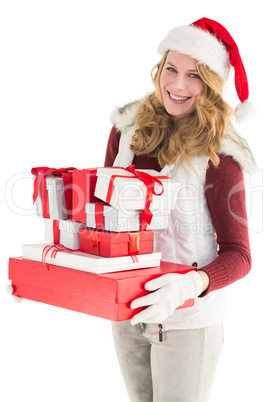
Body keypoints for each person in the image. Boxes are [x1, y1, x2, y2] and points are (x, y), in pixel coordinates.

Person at [104, 17, 256, 402]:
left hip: (188, 324)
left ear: (212, 85)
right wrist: (58, 273)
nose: (178, 84)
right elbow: (102, 220)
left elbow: (239, 256)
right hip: (126, 314)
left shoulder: (222, 153)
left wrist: (190, 284)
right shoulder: (126, 132)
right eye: (171, 69)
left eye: (195, 75)